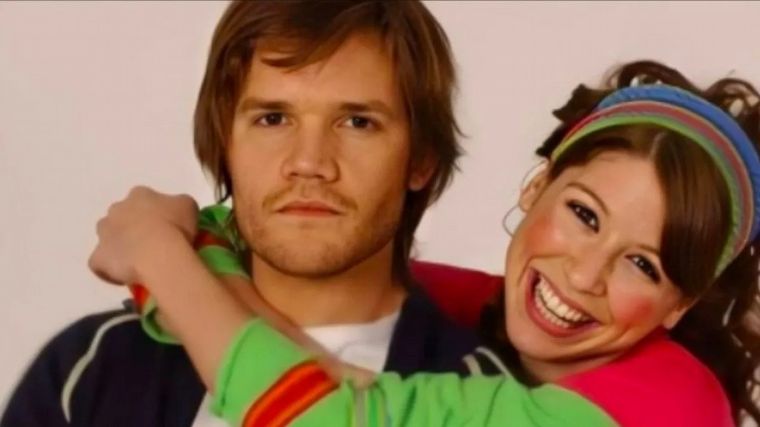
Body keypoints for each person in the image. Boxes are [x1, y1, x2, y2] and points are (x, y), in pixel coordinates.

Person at [91, 62, 760, 426]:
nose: (585, 274)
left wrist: (158, 254)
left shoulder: (670, 408)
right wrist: (201, 249)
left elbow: (325, 415)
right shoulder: (478, 308)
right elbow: (300, 291)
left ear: (681, 303)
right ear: (538, 186)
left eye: (642, 263)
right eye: (585, 215)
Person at [0, 2, 478, 426]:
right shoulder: (90, 368)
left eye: (357, 122)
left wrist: (158, 252)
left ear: (421, 161)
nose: (308, 162)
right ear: (225, 143)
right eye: (273, 119)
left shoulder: (480, 394)